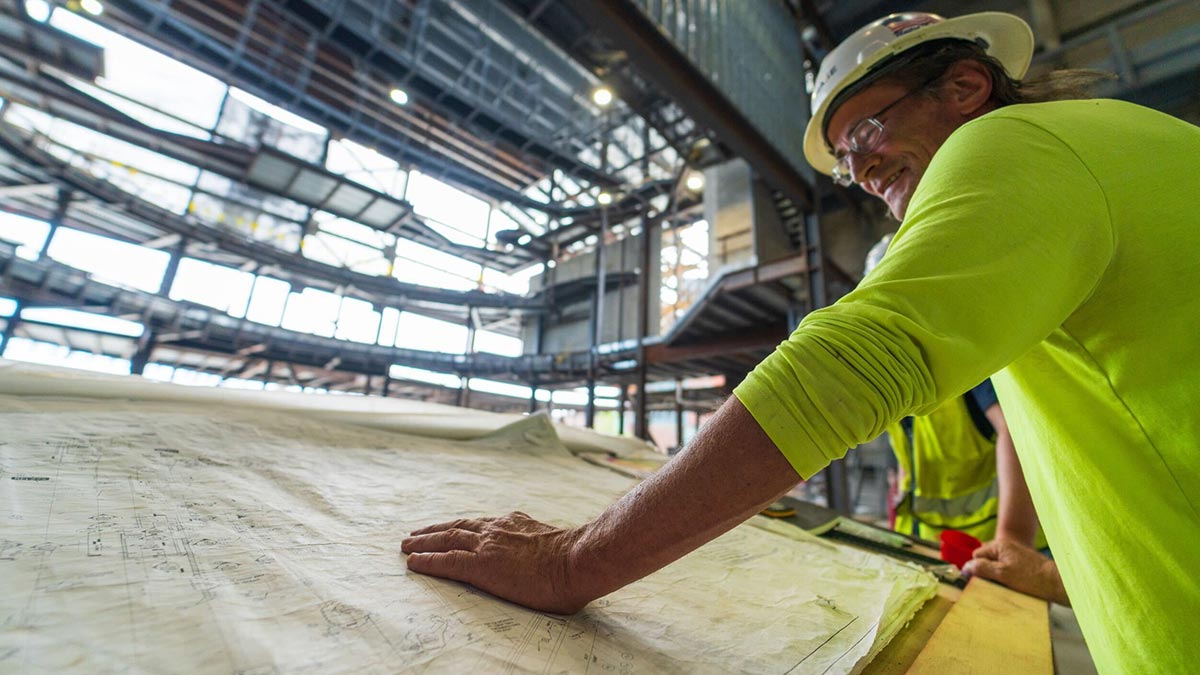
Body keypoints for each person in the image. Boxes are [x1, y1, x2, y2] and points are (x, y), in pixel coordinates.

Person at [403, 11, 1200, 673]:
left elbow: (850, 364)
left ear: (965, 86)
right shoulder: (1098, 157)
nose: (862, 169)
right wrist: (1033, 559)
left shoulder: (1013, 146)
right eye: (847, 159)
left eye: (870, 130)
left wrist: (569, 561)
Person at [865, 235, 1043, 548]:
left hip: (993, 545)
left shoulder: (965, 357)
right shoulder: (902, 371)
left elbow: (1017, 431)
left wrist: (1013, 538)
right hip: (934, 542)